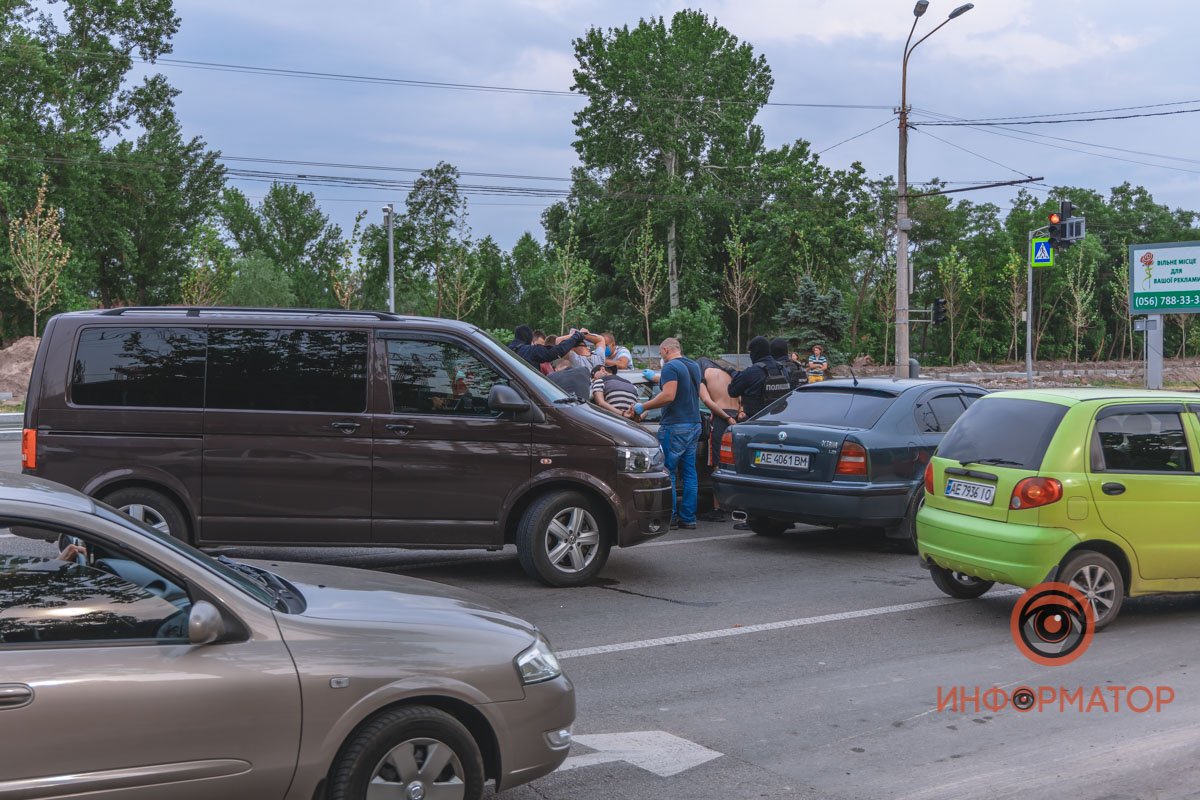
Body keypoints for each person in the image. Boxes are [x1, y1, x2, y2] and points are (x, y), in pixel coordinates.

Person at [626, 338, 701, 530]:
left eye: (660, 354)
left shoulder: (670, 367)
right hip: (694, 423)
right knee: (690, 473)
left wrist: (642, 406)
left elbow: (669, 395)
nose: (661, 357)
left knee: (668, 472)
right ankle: (689, 518)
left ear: (666, 350)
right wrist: (655, 377)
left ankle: (671, 517)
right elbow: (679, 383)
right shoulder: (693, 366)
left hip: (675, 426)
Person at [696, 356, 739, 522]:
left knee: (718, 464)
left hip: (722, 420)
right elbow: (739, 395)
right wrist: (738, 413)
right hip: (738, 416)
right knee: (733, 463)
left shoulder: (701, 375)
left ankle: (717, 508)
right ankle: (733, 504)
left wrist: (726, 418)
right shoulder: (726, 373)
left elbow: (706, 400)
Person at [729, 335, 790, 420]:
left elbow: (732, 391)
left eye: (750, 352)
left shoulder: (752, 371)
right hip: (780, 419)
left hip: (756, 422)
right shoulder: (782, 369)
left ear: (755, 352)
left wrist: (733, 373)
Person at [509, 324, 586, 371]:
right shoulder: (530, 351)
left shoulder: (507, 351)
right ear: (530, 338)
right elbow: (556, 351)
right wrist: (577, 336)